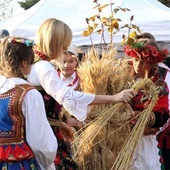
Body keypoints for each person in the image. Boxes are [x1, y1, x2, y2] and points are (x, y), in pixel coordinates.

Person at [26, 18, 136, 169]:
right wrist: (113, 97)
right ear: (55, 42)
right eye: (64, 43)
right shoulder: (44, 67)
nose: (65, 47)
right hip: (43, 138)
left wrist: (61, 124)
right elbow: (69, 97)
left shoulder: (33, 63)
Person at [0, 36, 57, 170]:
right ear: (24, 63)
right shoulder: (29, 93)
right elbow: (39, 141)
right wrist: (48, 162)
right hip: (18, 163)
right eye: (31, 62)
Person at [124, 38, 169, 170]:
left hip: (144, 142)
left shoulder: (159, 86)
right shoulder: (123, 79)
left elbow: (162, 116)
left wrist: (135, 116)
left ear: (153, 63)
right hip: (119, 139)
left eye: (143, 62)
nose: (138, 65)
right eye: (136, 60)